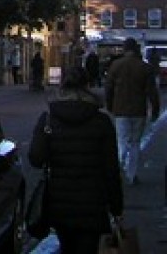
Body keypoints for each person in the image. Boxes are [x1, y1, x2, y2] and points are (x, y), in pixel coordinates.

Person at [28, 65, 123, 254]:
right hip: (93, 203)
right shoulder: (101, 122)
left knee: (67, 247)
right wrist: (116, 206)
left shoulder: (48, 120)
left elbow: (36, 159)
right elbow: (111, 168)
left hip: (59, 202)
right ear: (87, 86)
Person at [104, 37, 160, 185]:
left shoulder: (115, 65)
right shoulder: (145, 67)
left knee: (121, 141)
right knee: (135, 143)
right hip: (138, 110)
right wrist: (155, 110)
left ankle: (117, 172)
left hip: (120, 109)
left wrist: (109, 105)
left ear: (124, 48)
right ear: (136, 49)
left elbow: (108, 88)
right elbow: (152, 92)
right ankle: (131, 174)